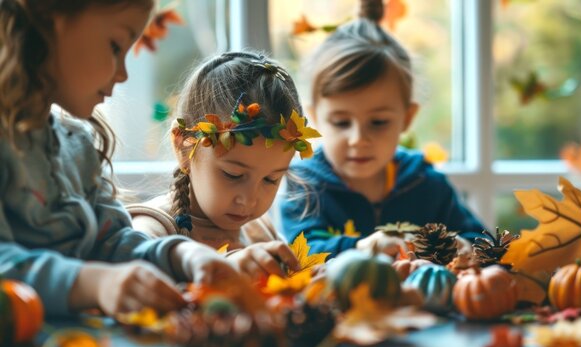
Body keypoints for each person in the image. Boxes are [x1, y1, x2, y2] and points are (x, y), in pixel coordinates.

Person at [0, 0, 239, 317]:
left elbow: (112, 243)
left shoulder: (79, 147)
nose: (124, 74)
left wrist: (184, 255)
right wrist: (94, 283)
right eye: (116, 47)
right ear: (50, 18)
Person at [278, 0, 487, 258]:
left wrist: (465, 247)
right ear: (315, 118)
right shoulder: (305, 186)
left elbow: (481, 241)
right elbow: (301, 252)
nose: (358, 139)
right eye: (341, 122)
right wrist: (361, 248)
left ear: (407, 118)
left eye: (378, 122)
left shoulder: (427, 184)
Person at [128, 51, 320, 279]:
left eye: (271, 179)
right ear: (184, 146)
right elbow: (130, 267)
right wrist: (225, 267)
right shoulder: (155, 227)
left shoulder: (259, 231)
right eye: (233, 175)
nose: (249, 200)